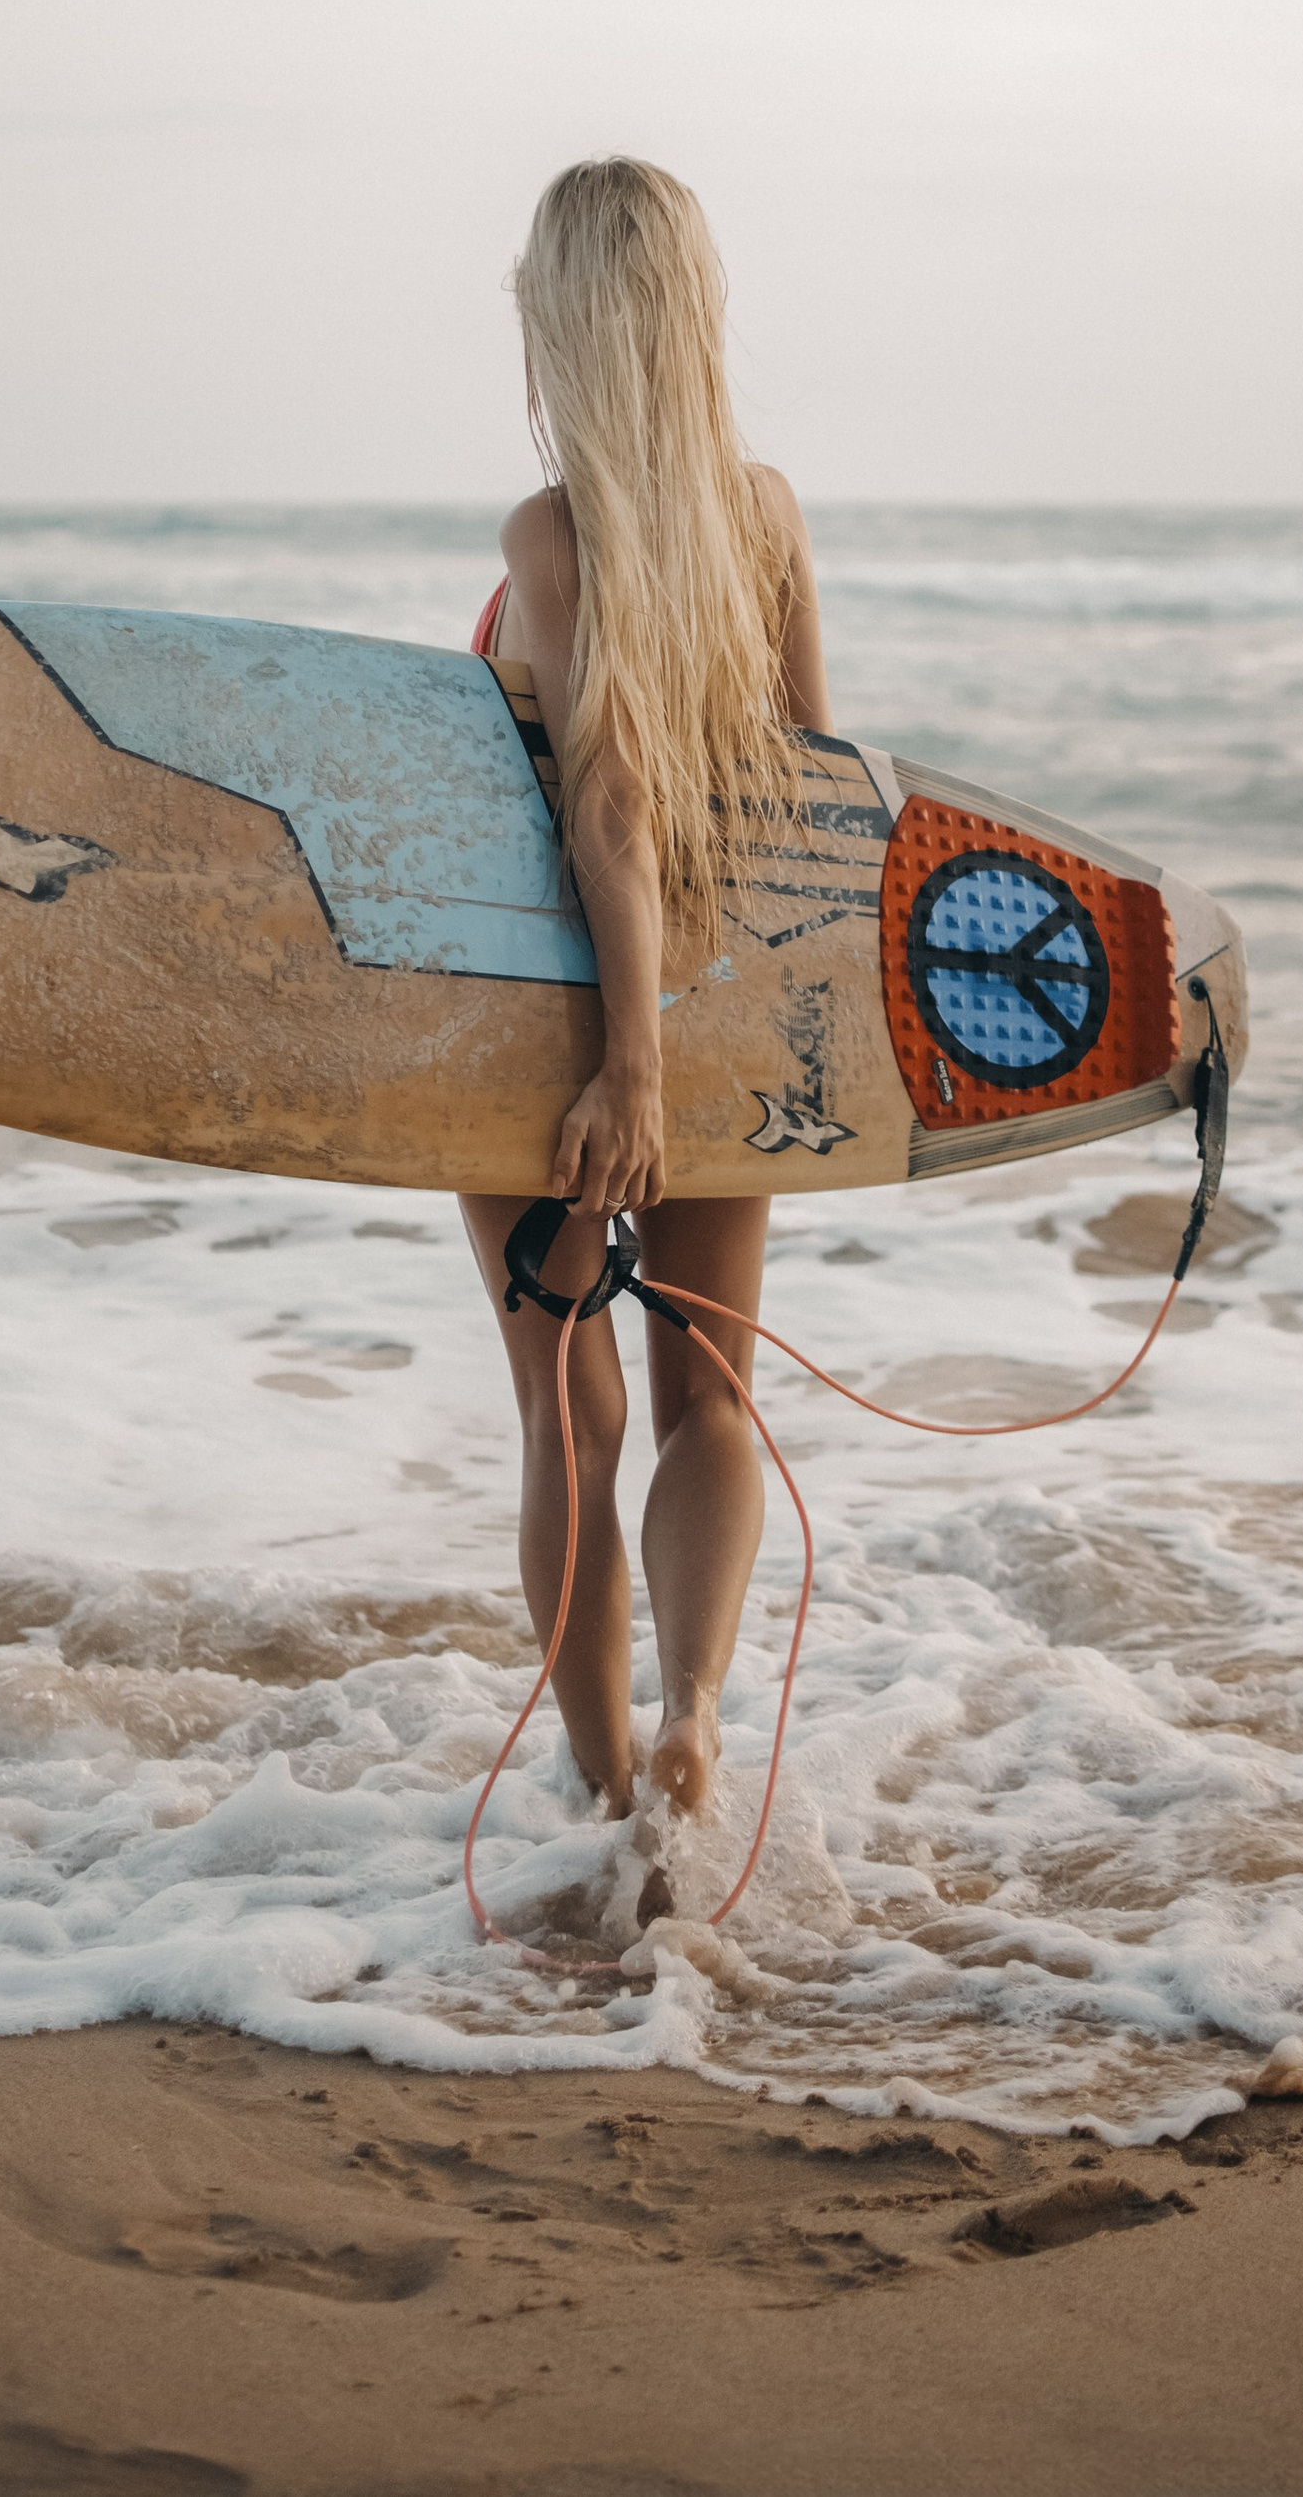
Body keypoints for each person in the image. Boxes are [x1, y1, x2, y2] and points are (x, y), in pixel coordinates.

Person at [459, 156, 832, 1857]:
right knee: (708, 1400)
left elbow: (597, 804)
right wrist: (742, 1046)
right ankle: (692, 1721)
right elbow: (824, 809)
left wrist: (628, 1068)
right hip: (729, 1011)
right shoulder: (763, 519)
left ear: (562, 323)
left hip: (546, 1041)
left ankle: (605, 1790)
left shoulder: (550, 536)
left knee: (571, 1408)